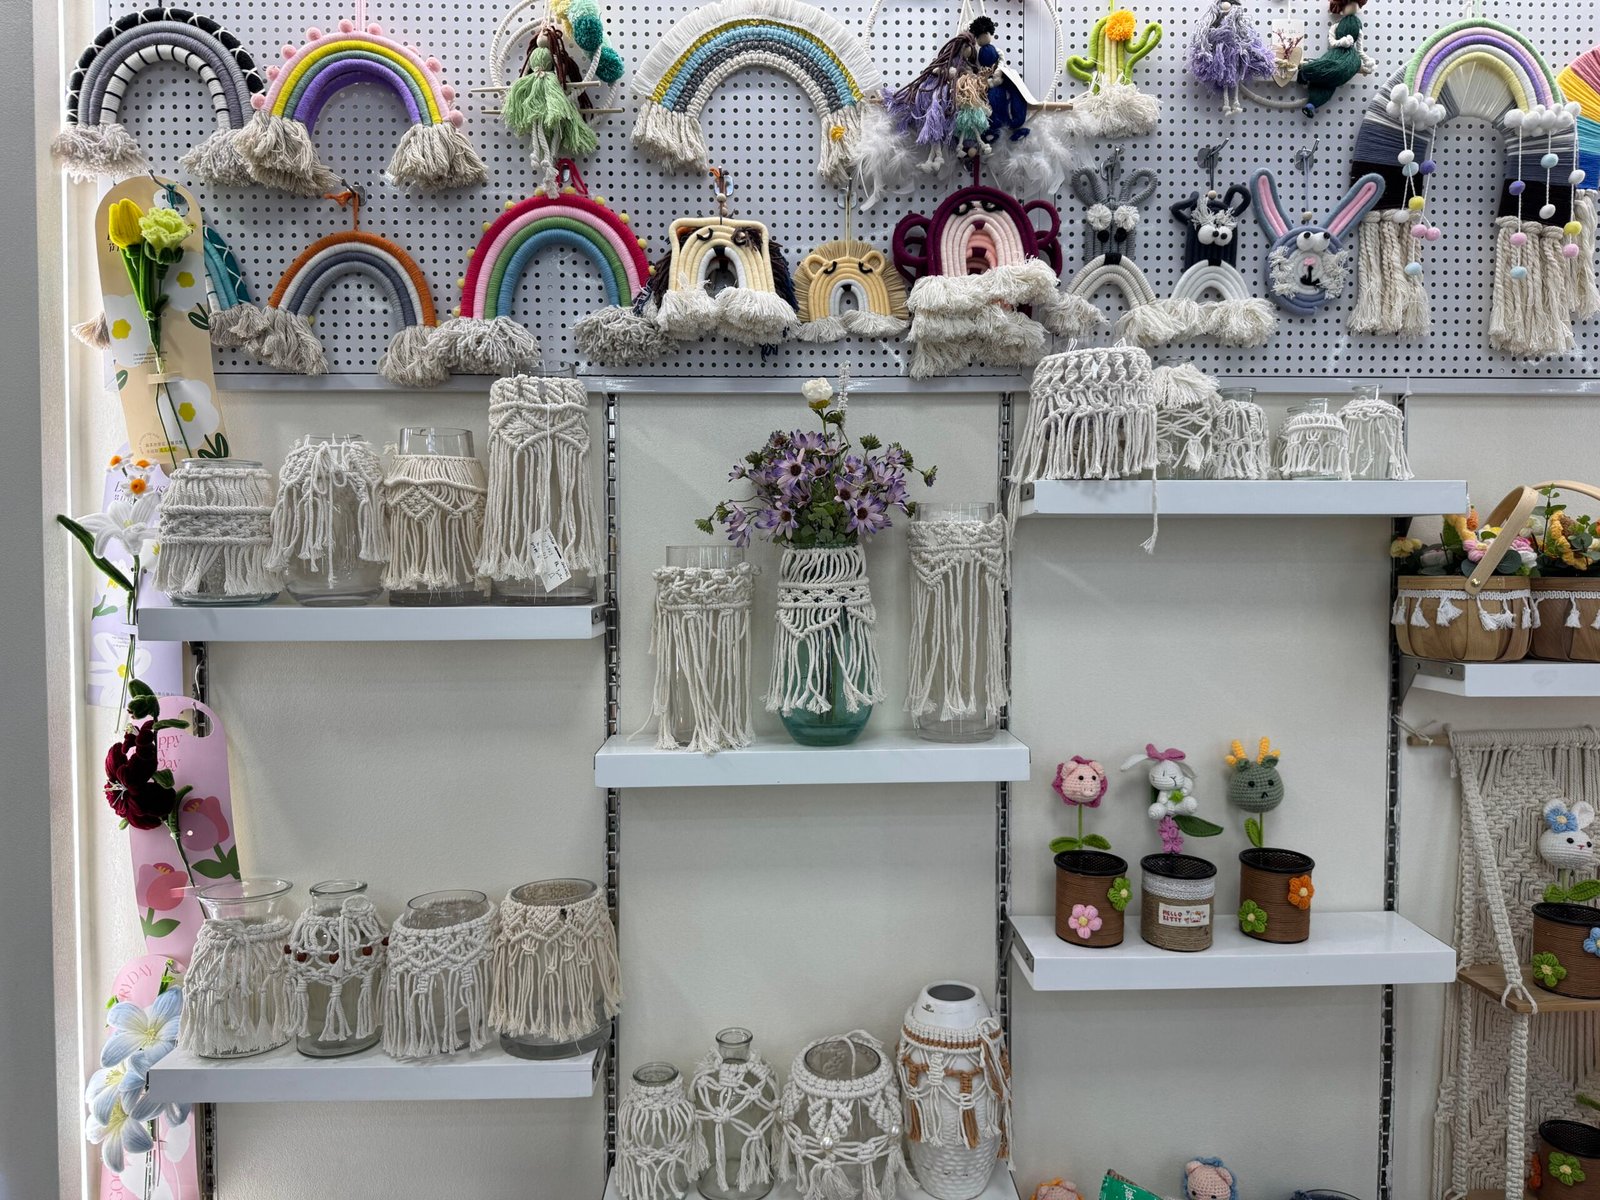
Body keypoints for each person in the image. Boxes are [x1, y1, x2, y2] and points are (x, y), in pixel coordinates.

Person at [1297, 0, 1371, 116]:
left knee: (1335, 76)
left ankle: (1310, 96)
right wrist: (1342, 42)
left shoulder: (1358, 26)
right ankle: (1306, 75)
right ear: (1342, 6)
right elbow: (1332, 42)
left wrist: (1366, 61)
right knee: (1330, 70)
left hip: (1351, 56)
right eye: (1351, 4)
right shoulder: (1336, 25)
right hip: (1336, 53)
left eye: (1356, 4)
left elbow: (1360, 48)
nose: (1355, 7)